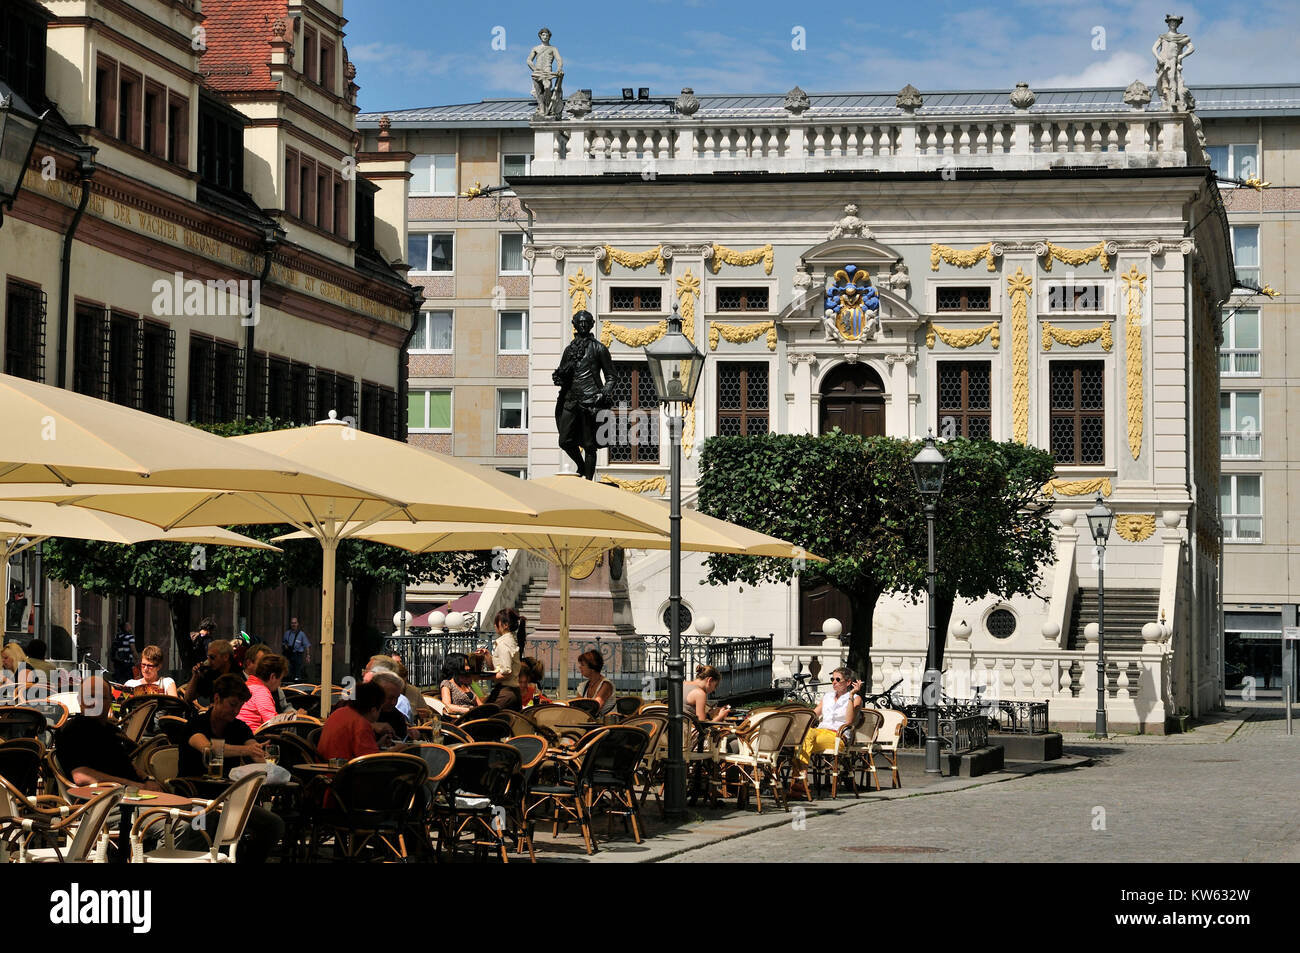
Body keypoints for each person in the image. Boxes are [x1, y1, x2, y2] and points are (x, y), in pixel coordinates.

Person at [179, 675, 283, 863]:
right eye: (232, 704)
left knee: (274, 824)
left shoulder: (239, 727)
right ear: (217, 698)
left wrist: (262, 756)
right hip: (194, 798)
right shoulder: (197, 723)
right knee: (204, 826)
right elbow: (208, 750)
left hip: (228, 799)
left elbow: (257, 754)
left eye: (240, 706)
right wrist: (246, 749)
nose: (236, 711)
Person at [55, 675, 162, 789]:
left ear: (111, 701)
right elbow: (81, 777)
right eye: (90, 697)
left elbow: (125, 764)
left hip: (133, 793)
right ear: (79, 700)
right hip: (106, 799)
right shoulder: (73, 730)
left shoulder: (110, 730)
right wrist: (134, 785)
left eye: (101, 697)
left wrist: (147, 779)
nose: (95, 702)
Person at [790, 666, 863, 800]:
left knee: (804, 738)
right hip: (819, 734)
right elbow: (813, 715)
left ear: (848, 682)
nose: (834, 682)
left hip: (838, 737)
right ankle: (802, 778)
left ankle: (799, 780)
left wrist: (851, 695)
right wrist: (794, 718)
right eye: (832, 679)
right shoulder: (827, 696)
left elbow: (849, 720)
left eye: (837, 679)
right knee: (800, 739)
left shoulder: (855, 698)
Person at [316, 680, 384, 762]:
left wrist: (378, 744)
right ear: (374, 710)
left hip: (324, 769)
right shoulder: (361, 724)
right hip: (343, 772)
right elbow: (371, 762)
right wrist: (395, 752)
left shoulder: (338, 713)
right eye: (380, 709)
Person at [477, 608, 524, 711]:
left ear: (505, 624)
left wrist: (480, 677)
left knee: (481, 717)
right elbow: (498, 668)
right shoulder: (510, 641)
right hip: (510, 692)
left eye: (496, 622)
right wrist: (488, 656)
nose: (494, 625)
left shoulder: (503, 644)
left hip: (506, 693)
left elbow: (505, 673)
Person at [181, 639, 242, 706]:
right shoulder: (211, 673)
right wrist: (195, 676)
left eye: (212, 657)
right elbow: (188, 698)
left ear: (225, 657)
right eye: (208, 657)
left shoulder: (238, 676)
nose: (209, 661)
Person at [238, 653, 288, 732]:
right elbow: (274, 724)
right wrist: (295, 717)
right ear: (273, 677)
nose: (280, 684)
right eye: (280, 679)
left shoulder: (247, 685)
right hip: (255, 738)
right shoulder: (261, 691)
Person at [576, 650, 614, 715]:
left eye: (582, 665)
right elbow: (576, 706)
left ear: (592, 668)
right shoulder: (584, 686)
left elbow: (595, 707)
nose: (580, 667)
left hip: (606, 723)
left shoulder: (605, 684)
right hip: (590, 722)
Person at [282, 617, 310, 682]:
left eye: (295, 623)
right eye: (292, 623)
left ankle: (297, 681)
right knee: (289, 669)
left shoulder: (301, 634)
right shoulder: (287, 633)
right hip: (289, 654)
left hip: (298, 655)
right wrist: (285, 646)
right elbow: (284, 642)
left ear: (297, 624)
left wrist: (308, 655)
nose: (293, 624)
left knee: (298, 670)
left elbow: (307, 645)